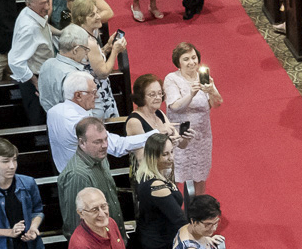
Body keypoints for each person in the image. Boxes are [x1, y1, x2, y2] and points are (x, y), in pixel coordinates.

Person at [50, 75, 158, 174]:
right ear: (78, 95)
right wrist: (155, 135)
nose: (97, 96)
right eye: (93, 92)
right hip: (87, 175)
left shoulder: (53, 112)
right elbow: (117, 147)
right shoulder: (82, 122)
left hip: (64, 173)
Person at [165, 43, 223, 196]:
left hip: (202, 136)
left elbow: (217, 103)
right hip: (180, 135)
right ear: (178, 63)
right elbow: (175, 106)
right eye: (186, 59)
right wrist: (191, 94)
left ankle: (199, 206)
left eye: (193, 57)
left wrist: (212, 90)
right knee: (176, 175)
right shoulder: (172, 79)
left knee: (200, 175)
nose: (191, 62)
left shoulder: (204, 78)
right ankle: (176, 205)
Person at [0, 137, 45, 249]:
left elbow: (38, 210)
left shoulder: (28, 183)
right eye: (5, 161)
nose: (12, 166)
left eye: (14, 160)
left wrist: (33, 227)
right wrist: (9, 232)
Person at [133, 135, 186, 249]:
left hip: (157, 237)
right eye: (165, 154)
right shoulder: (156, 185)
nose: (171, 158)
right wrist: (200, 236)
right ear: (153, 157)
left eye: (172, 152)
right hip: (161, 247)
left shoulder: (149, 174)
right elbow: (179, 219)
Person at [69, 0, 122, 119]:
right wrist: (115, 51)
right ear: (81, 19)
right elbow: (103, 72)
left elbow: (90, 61)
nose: (98, 16)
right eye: (92, 15)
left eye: (97, 12)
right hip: (97, 95)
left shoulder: (80, 34)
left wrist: (107, 47)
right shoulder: (89, 42)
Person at [9, 0, 55, 125]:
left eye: (48, 1)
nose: (47, 7)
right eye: (42, 3)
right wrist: (35, 82)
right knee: (39, 122)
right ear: (28, 4)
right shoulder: (29, 28)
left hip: (43, 75)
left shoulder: (32, 12)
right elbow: (14, 61)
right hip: (34, 80)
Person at [124, 73, 191, 155]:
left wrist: (185, 137)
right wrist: (162, 140)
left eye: (160, 93)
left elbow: (181, 145)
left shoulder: (159, 113)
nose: (158, 97)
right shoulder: (134, 122)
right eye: (152, 95)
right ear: (141, 96)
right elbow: (141, 157)